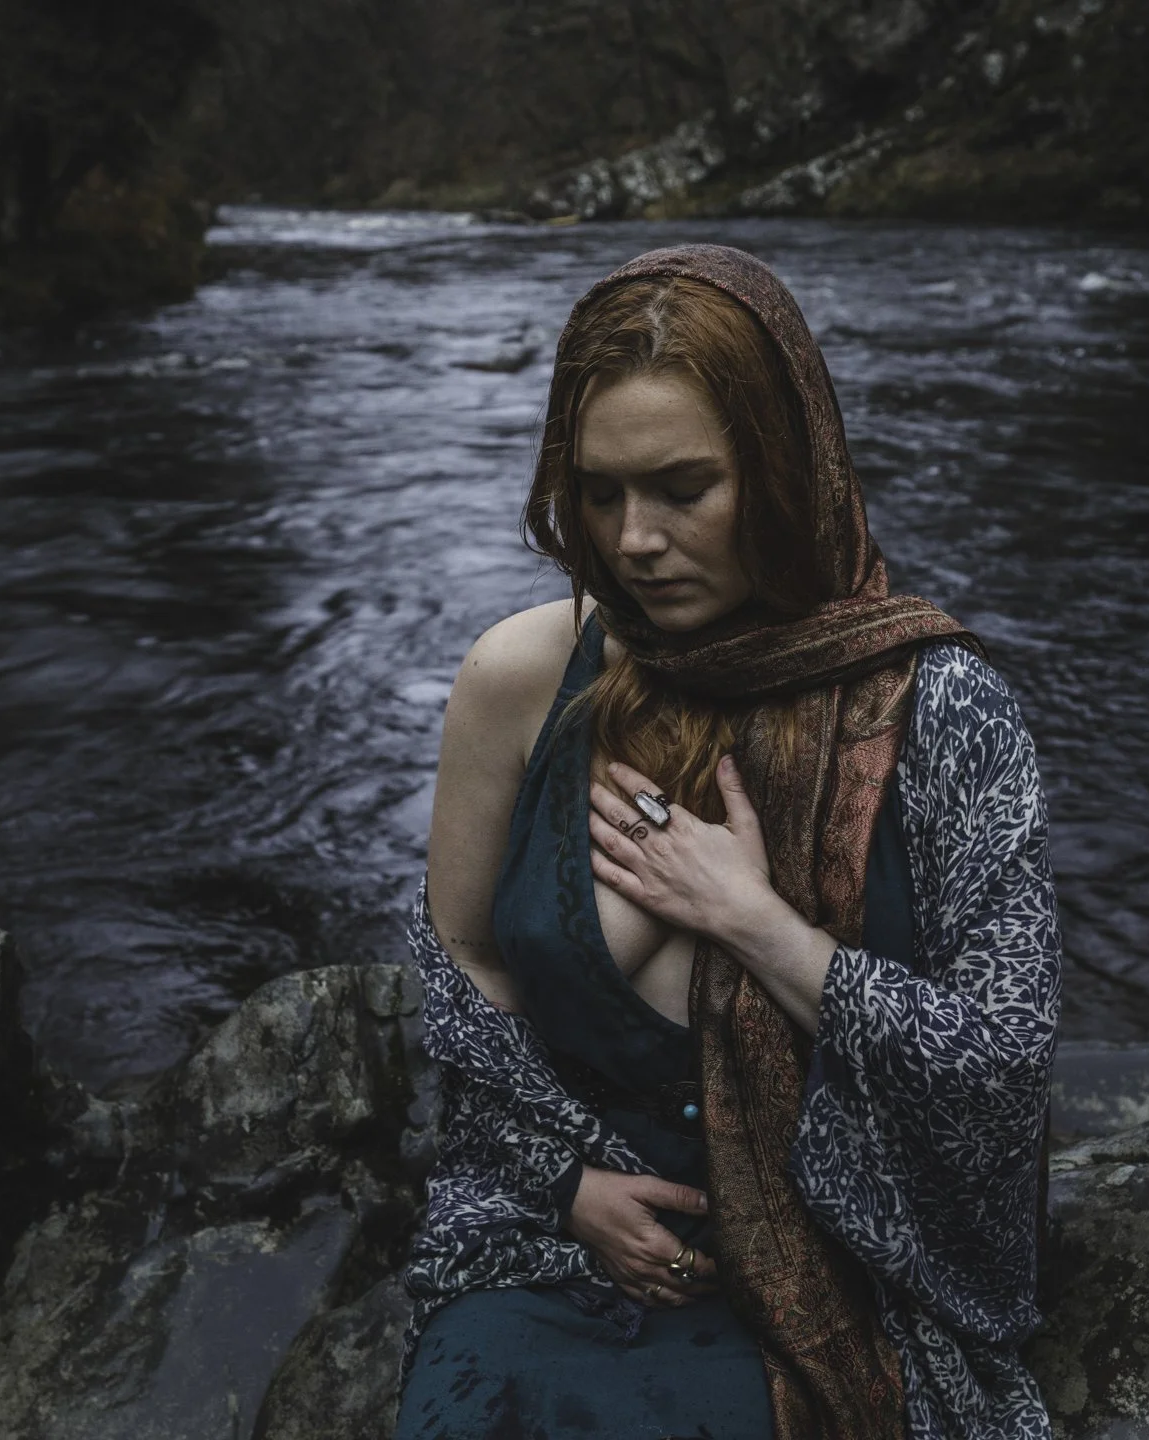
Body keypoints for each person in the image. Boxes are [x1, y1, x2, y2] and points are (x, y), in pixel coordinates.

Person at [394, 244, 1059, 1440]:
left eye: (683, 489)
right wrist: (561, 1184)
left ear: (785, 469)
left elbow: (1002, 1072)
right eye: (601, 493)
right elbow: (460, 978)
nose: (635, 539)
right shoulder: (521, 680)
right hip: (554, 1247)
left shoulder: (945, 710)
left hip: (849, 1269)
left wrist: (760, 928)